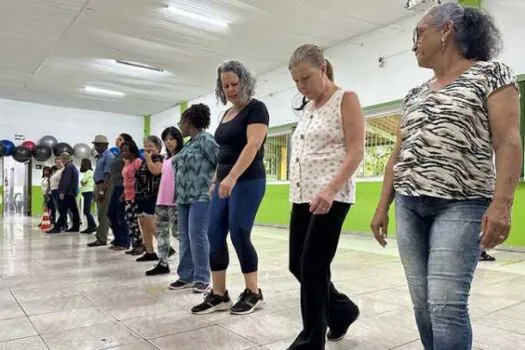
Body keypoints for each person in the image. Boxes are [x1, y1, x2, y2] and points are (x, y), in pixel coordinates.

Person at [370, 4, 522, 350]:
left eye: (418, 33)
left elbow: (508, 140)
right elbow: (398, 155)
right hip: (409, 205)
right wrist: (383, 206)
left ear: (446, 30)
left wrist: (502, 204)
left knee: (446, 305)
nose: (414, 44)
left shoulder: (491, 75)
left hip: (462, 204)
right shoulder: (413, 95)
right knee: (423, 305)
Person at [286, 45, 365, 349]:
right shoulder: (308, 108)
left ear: (322, 68)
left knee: (314, 265)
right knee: (298, 264)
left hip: (332, 195)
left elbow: (357, 152)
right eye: (295, 81)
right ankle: (342, 311)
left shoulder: (346, 99)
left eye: (306, 78)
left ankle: (311, 339)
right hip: (303, 196)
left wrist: (330, 189)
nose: (301, 86)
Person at [191, 61, 269, 315]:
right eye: (225, 86)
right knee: (214, 234)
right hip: (224, 182)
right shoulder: (225, 115)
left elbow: (252, 146)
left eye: (235, 84)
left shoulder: (257, 109)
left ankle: (254, 292)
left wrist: (232, 177)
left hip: (248, 180)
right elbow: (223, 153)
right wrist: (216, 180)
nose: (231, 90)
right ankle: (219, 294)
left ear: (245, 82)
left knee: (239, 234)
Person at [169, 103, 218, 294]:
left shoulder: (206, 139)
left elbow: (220, 161)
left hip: (201, 195)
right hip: (183, 197)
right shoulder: (189, 143)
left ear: (190, 122)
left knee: (197, 234)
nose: (180, 125)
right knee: (184, 236)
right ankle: (186, 275)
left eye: (181, 122)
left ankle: (202, 278)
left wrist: (214, 184)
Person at [146, 127, 183, 276]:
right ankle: (162, 263)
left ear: (178, 140)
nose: (168, 142)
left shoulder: (182, 156)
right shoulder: (166, 158)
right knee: (161, 234)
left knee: (178, 233)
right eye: (166, 139)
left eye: (171, 139)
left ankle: (190, 262)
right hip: (161, 200)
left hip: (175, 202)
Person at [134, 135, 163, 262]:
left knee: (150, 223)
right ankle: (150, 251)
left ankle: (165, 247)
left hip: (152, 195)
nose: (147, 148)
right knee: (143, 223)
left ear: (158, 148)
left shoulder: (158, 158)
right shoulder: (144, 160)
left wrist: (148, 159)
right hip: (141, 195)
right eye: (145, 146)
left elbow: (156, 171)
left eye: (151, 146)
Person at [88, 135, 115, 247]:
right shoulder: (100, 157)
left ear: (105, 145)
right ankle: (118, 235)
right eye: (95, 144)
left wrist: (102, 191)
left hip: (105, 186)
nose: (95, 147)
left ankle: (101, 238)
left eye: (97, 145)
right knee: (103, 214)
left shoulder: (108, 156)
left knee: (103, 214)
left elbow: (108, 175)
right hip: (99, 185)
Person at [108, 134, 133, 250]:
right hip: (115, 187)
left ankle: (124, 242)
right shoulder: (117, 154)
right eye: (116, 138)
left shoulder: (126, 155)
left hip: (123, 187)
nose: (116, 140)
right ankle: (117, 239)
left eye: (120, 139)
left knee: (121, 216)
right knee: (111, 214)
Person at [48, 153, 81, 233]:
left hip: (68, 193)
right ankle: (76, 227)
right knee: (74, 210)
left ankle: (57, 227)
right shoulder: (72, 166)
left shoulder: (69, 167)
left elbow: (66, 181)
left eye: (62, 159)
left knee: (63, 210)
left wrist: (62, 192)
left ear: (64, 159)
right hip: (71, 192)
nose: (61, 160)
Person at [121, 140, 144, 256]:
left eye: (125, 150)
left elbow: (142, 179)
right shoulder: (127, 163)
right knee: (130, 221)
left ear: (132, 150)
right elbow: (125, 180)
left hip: (135, 196)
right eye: (122, 151)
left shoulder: (137, 162)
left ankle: (140, 246)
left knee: (134, 222)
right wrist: (123, 194)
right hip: (127, 195)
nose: (123, 153)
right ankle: (135, 244)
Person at [80, 159, 97, 234]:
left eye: (82, 163)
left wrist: (82, 182)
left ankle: (93, 226)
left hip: (88, 192)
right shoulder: (89, 172)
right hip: (87, 192)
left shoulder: (88, 172)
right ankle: (90, 227)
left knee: (86, 211)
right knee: (86, 211)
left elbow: (83, 182)